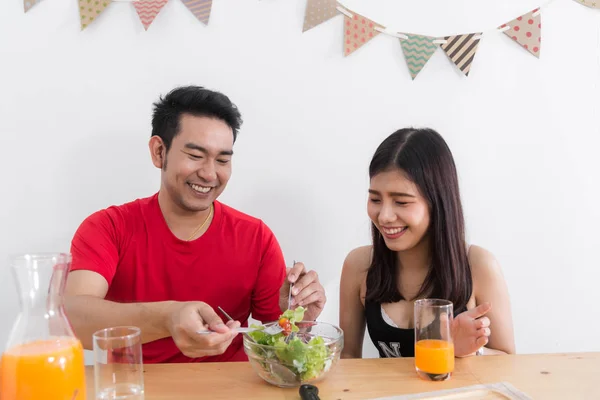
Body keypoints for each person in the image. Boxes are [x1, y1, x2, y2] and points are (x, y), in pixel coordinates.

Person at [64, 86, 326, 363]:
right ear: (158, 152)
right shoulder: (108, 228)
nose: (210, 173)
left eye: (223, 159)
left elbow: (280, 349)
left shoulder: (255, 237)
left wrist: (299, 320)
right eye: (195, 155)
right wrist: (168, 317)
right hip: (138, 387)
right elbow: (74, 318)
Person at [339, 127, 515, 359]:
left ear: (437, 202)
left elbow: (509, 361)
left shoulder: (479, 265)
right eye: (375, 199)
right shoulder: (359, 264)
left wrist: (471, 350)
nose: (384, 216)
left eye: (401, 202)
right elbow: (348, 360)